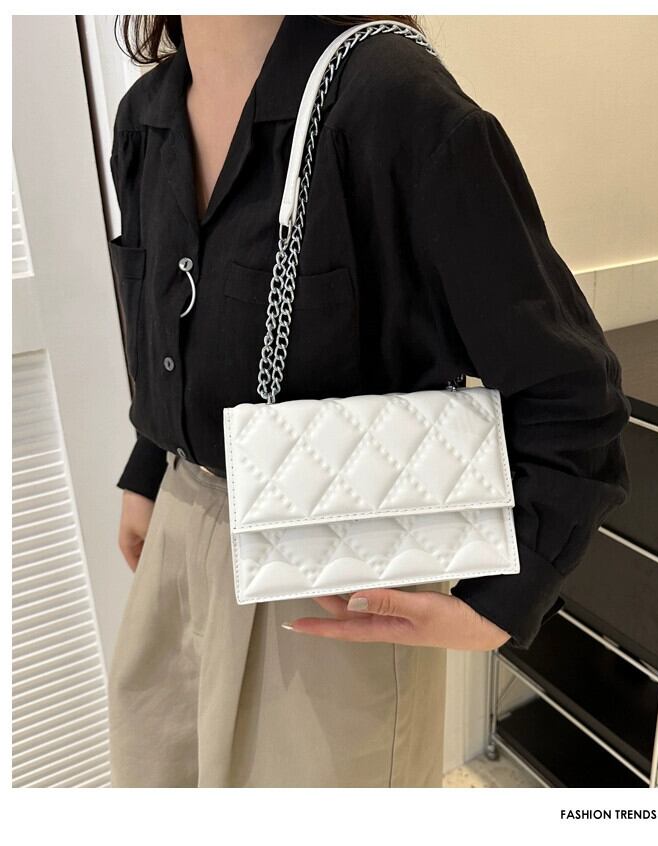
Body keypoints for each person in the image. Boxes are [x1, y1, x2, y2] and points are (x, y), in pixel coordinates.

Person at [107, 14, 630, 788]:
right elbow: (177, 334)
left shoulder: (392, 101)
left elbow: (568, 388)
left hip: (333, 578)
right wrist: (150, 466)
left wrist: (504, 599)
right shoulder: (146, 116)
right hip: (178, 530)